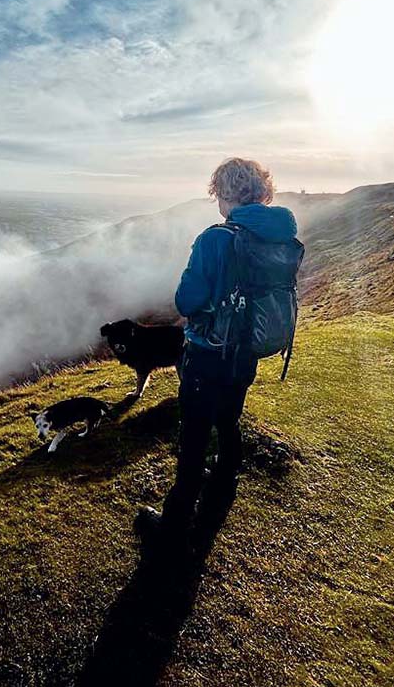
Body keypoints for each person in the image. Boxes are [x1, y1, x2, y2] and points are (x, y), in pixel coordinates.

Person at [137, 157, 298, 549]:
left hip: (209, 351)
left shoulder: (215, 238)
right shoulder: (281, 232)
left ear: (226, 194)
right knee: (229, 419)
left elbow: (187, 300)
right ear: (263, 191)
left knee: (193, 434)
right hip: (249, 348)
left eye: (219, 196)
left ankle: (173, 523)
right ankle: (225, 485)